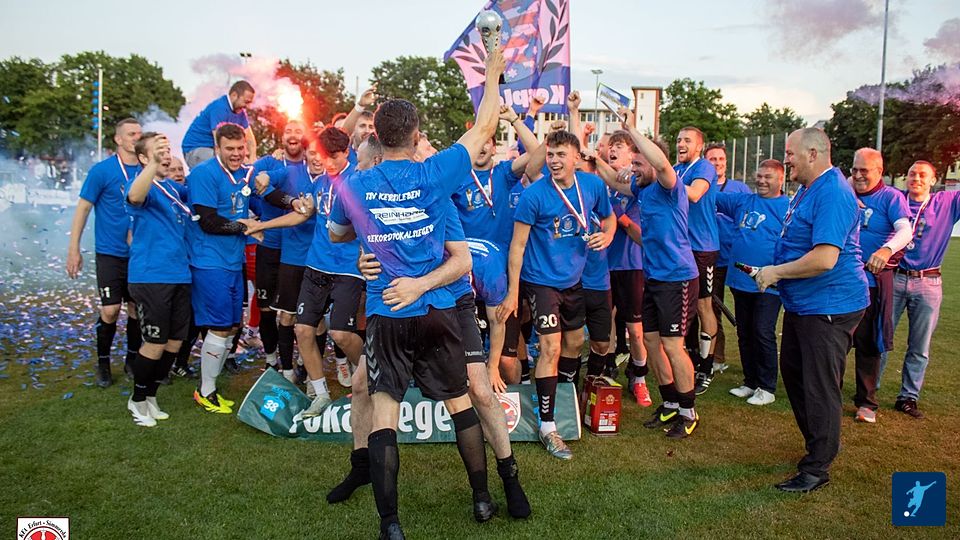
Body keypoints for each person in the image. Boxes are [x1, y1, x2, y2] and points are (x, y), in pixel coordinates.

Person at [327, 48, 507, 539]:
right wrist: (491, 75)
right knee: (459, 404)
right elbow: (484, 127)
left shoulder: (355, 183)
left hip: (388, 308)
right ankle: (482, 498)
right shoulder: (435, 173)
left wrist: (368, 241)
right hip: (437, 308)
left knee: (385, 413)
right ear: (414, 136)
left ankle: (390, 524)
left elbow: (337, 233)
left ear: (376, 136)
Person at [754, 128, 868, 493]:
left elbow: (824, 258)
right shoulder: (809, 188)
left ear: (813, 154)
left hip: (829, 305)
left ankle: (817, 468)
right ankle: (820, 444)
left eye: (790, 153)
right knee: (796, 377)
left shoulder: (833, 192)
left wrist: (776, 272)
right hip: (805, 304)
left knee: (818, 386)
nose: (786, 159)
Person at [498, 130, 616, 460]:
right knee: (550, 346)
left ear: (577, 158)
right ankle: (548, 426)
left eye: (561, 154)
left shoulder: (592, 186)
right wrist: (514, 292)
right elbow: (517, 246)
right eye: (550, 154)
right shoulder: (534, 195)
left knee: (575, 343)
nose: (553, 160)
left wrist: (607, 236)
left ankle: (564, 399)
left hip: (574, 281)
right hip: (541, 282)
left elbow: (609, 218)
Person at [594, 109, 701, 439]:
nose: (634, 169)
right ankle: (670, 402)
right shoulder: (643, 190)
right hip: (655, 277)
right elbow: (614, 181)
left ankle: (688, 411)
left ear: (654, 163)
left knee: (673, 345)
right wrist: (593, 158)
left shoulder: (671, 187)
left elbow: (663, 165)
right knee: (652, 342)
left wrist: (632, 130)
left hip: (678, 278)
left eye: (639, 164)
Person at [186, 123, 304, 414]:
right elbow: (208, 221)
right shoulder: (204, 174)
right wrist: (245, 226)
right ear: (217, 148)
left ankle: (209, 386)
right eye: (230, 149)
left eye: (240, 148)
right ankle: (206, 391)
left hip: (232, 261)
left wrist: (293, 202)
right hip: (209, 262)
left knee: (231, 325)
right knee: (219, 325)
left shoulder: (244, 174)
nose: (236, 153)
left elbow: (268, 194)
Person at [67, 118, 143, 388]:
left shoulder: (147, 170)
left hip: (140, 255)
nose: (136, 137)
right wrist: (74, 248)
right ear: (118, 139)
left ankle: (132, 360)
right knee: (110, 310)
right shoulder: (102, 171)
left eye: (139, 133)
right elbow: (83, 208)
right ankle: (103, 363)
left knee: (136, 309)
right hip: (110, 253)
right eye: (131, 134)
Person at [880, 160, 960, 419]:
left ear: (933, 180)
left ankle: (908, 397)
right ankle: (869, 391)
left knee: (919, 345)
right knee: (881, 337)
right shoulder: (895, 199)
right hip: (895, 277)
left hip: (928, 281)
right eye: (912, 173)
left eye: (923, 175)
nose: (916, 178)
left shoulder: (946, 202)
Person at [124, 133, 191, 426]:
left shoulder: (172, 188)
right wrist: (152, 164)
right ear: (143, 157)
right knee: (154, 341)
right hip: (151, 276)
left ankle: (150, 395)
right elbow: (134, 197)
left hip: (180, 274)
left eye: (166, 150)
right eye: (158, 151)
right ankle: (137, 399)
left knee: (174, 343)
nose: (165, 155)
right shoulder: (143, 184)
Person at [716, 159, 789, 406]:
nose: (761, 181)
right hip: (740, 280)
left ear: (781, 179)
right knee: (744, 332)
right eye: (759, 176)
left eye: (768, 177)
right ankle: (750, 381)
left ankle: (767, 387)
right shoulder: (743, 201)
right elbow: (708, 195)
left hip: (768, 283)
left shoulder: (788, 207)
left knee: (762, 331)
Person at [848, 148, 912, 423]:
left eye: (864, 170)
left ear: (879, 171)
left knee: (868, 343)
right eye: (854, 170)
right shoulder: (845, 193)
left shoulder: (891, 197)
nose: (858, 175)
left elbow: (905, 230)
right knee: (834, 341)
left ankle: (866, 403)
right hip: (841, 281)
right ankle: (825, 393)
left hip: (872, 283)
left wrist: (886, 250)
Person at [594, 130, 651, 406]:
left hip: (631, 265)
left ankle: (639, 376)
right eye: (611, 146)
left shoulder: (636, 183)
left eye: (619, 146)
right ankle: (606, 367)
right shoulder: (602, 184)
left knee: (636, 328)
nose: (612, 150)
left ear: (632, 154)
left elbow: (640, 233)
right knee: (605, 324)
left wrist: (621, 216)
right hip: (603, 264)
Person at [250, 120, 309, 371]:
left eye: (298, 130)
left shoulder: (312, 165)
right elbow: (256, 189)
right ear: (281, 137)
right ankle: (271, 359)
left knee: (298, 311)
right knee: (266, 308)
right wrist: (261, 217)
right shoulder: (268, 163)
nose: (293, 135)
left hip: (299, 251)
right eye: (288, 131)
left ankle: (302, 359)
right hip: (271, 246)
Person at [673, 126, 720, 395]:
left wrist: (664, 176)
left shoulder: (704, 167)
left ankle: (707, 365)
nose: (681, 144)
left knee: (703, 306)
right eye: (679, 139)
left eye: (687, 140)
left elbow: (694, 194)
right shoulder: (677, 169)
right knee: (684, 306)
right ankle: (689, 358)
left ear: (699, 146)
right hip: (680, 249)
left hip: (702, 248)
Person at [705, 142, 751, 373]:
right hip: (710, 259)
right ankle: (716, 357)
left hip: (735, 258)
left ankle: (751, 361)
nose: (718, 163)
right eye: (712, 159)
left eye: (721, 159)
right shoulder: (699, 186)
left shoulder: (740, 189)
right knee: (711, 309)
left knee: (746, 310)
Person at [181, 81, 257, 168]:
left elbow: (250, 139)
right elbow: (219, 142)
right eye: (246, 102)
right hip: (196, 148)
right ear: (234, 95)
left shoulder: (241, 112)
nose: (247, 106)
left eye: (249, 103)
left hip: (213, 148)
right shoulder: (219, 108)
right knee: (222, 165)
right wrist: (241, 159)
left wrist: (252, 159)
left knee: (242, 164)